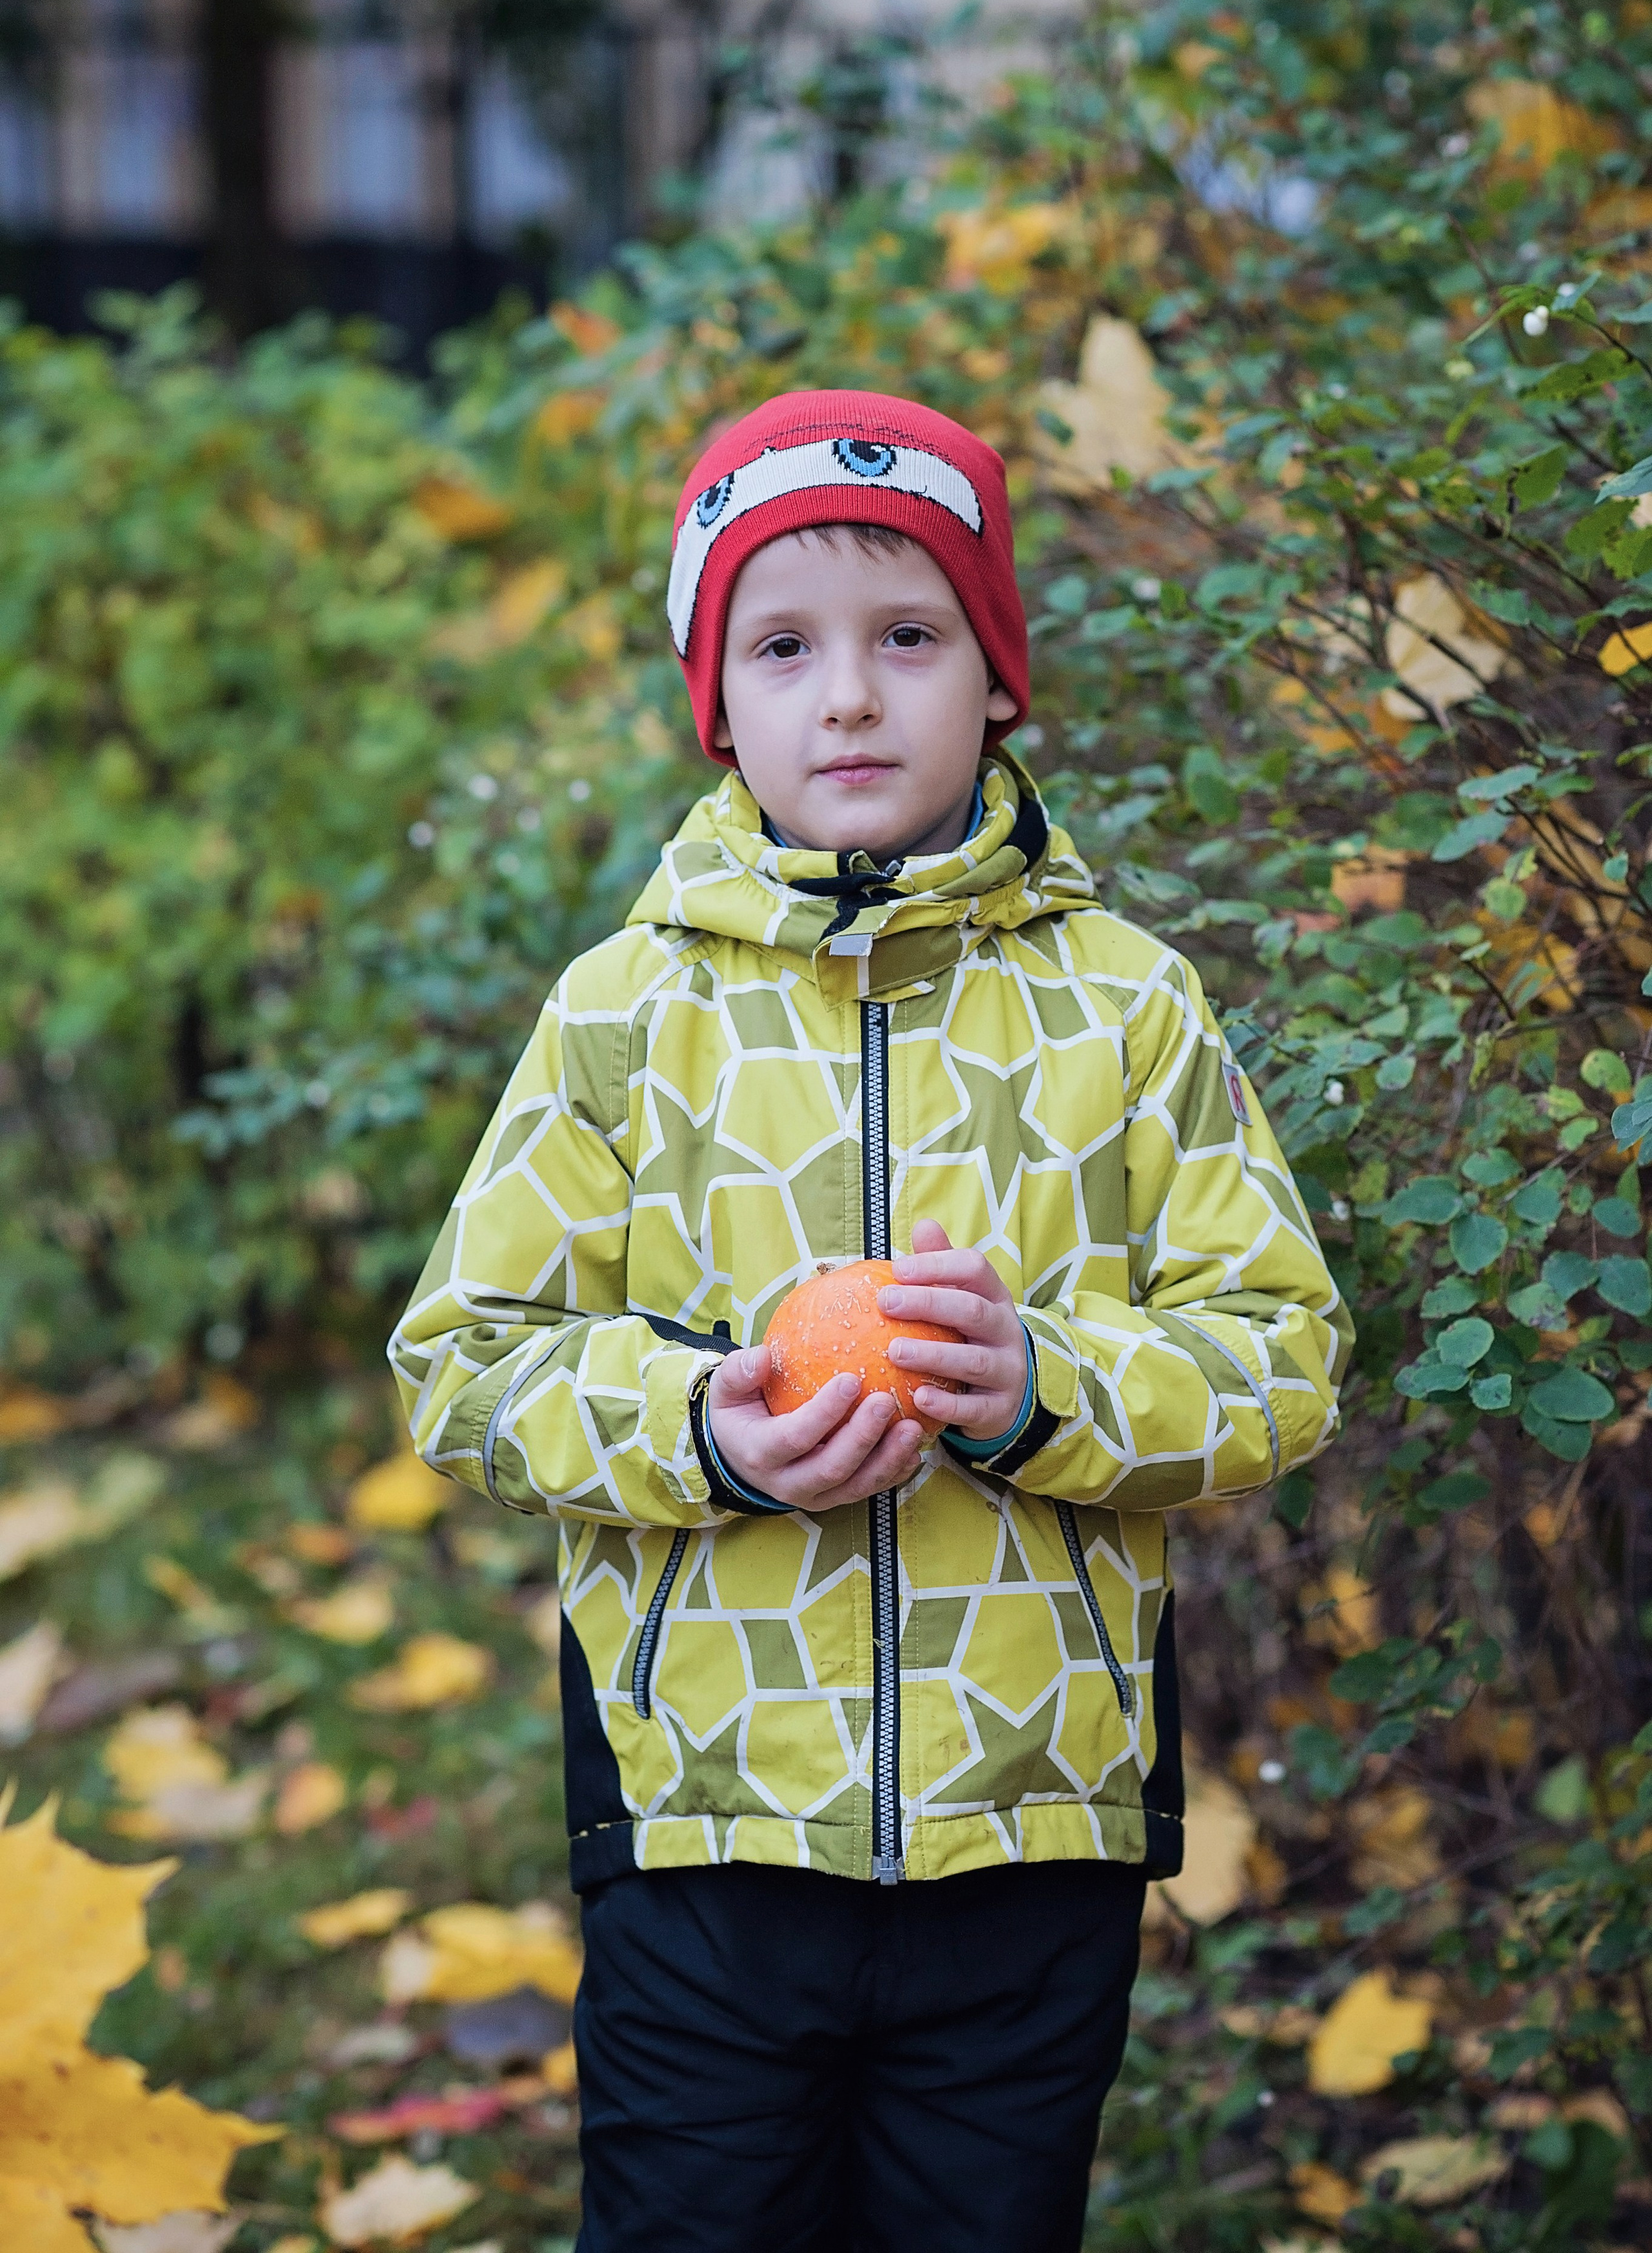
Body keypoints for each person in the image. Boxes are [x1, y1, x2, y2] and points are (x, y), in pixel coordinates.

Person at [388, 388, 1352, 2252]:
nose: (847, 697)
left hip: (1033, 1827)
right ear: (716, 702)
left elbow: (1282, 1351)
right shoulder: (621, 1018)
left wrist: (1048, 1385)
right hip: (707, 1824)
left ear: (994, 680)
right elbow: (464, 1359)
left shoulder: (1128, 1011)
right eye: (785, 646)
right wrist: (697, 1430)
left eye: (909, 637)